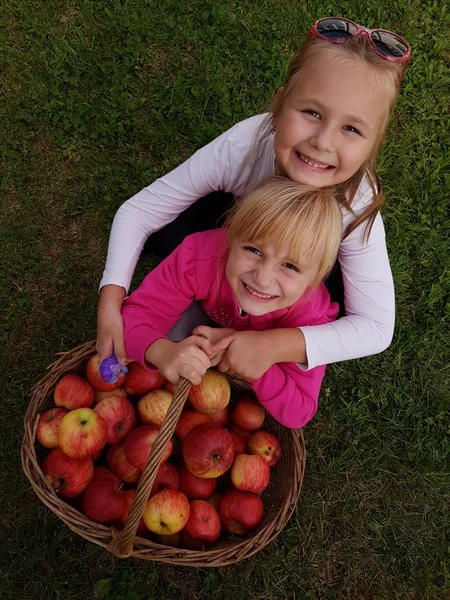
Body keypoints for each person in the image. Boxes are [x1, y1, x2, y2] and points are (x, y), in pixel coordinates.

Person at [97, 17, 411, 380]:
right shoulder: (244, 146)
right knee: (169, 235)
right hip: (236, 228)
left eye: (351, 129)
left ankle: (269, 302)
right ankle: (216, 281)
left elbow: (374, 326)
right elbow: (139, 212)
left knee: (325, 307)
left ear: (374, 144)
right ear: (278, 108)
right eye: (312, 113)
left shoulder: (356, 202)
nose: (323, 142)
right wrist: (110, 303)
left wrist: (276, 344)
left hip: (305, 265)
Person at [122, 176, 342, 428]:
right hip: (207, 311)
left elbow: (300, 411)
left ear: (315, 278)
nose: (263, 278)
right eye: (254, 250)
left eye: (290, 266)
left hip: (266, 335)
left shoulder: (310, 315)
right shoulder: (200, 255)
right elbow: (134, 316)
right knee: (152, 346)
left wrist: (260, 364)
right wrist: (162, 351)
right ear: (231, 234)